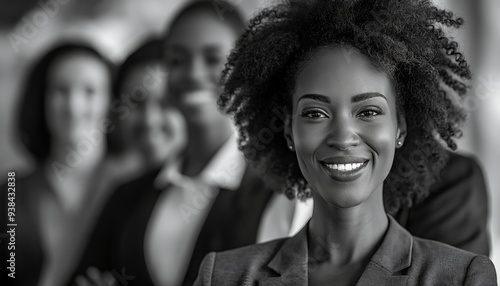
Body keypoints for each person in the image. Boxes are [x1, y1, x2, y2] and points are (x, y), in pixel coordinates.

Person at [195, 0, 497, 285]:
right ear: (289, 130)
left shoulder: (460, 277)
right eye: (315, 113)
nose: (342, 137)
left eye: (368, 112)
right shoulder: (223, 276)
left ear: (400, 127)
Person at [0, 42, 116, 286]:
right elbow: (7, 271)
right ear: (42, 99)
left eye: (90, 91)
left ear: (111, 100)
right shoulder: (11, 189)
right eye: (61, 90)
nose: (73, 106)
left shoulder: (132, 184)